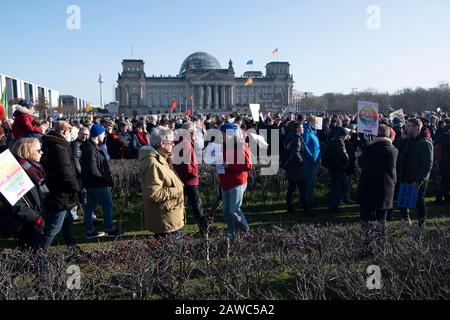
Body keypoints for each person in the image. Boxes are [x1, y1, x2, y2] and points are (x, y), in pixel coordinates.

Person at [138, 126, 185, 238]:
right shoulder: (153, 164)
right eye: (171, 142)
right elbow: (154, 194)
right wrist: (177, 190)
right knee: (168, 252)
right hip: (164, 220)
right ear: (162, 143)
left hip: (169, 217)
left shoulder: (162, 158)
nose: (173, 145)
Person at [0, 138, 47, 250]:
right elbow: (15, 203)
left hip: (37, 218)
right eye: (38, 150)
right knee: (31, 256)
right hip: (28, 223)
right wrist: (37, 218)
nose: (42, 152)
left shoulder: (33, 167)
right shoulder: (11, 170)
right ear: (28, 151)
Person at [40, 121, 80, 250]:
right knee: (54, 227)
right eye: (69, 131)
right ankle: (37, 255)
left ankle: (73, 249)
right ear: (64, 131)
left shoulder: (55, 145)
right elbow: (66, 172)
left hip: (62, 193)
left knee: (67, 224)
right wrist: (77, 189)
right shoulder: (59, 148)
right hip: (61, 193)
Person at [81, 124, 123, 239]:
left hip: (92, 183)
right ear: (98, 134)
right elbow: (93, 169)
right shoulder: (90, 148)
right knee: (108, 203)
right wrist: (105, 180)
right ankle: (111, 229)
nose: (105, 135)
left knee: (90, 207)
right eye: (103, 133)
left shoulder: (93, 146)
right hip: (96, 183)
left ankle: (90, 231)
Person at [358, 125, 398, 233]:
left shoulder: (369, 149)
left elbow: (360, 162)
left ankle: (367, 240)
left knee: (365, 217)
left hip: (368, 185)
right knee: (382, 218)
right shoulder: (393, 151)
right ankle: (381, 242)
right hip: (386, 187)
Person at [173, 122, 210, 238]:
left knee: (180, 205)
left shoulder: (180, 141)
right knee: (197, 206)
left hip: (181, 179)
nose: (195, 133)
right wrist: (195, 173)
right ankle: (203, 230)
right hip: (189, 180)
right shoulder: (186, 143)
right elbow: (187, 165)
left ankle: (176, 229)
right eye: (194, 131)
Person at [397, 118, 434, 227]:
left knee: (419, 202)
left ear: (417, 127)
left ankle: (420, 225)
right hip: (406, 174)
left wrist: (419, 181)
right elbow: (398, 153)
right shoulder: (408, 140)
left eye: (409, 126)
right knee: (403, 200)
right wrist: (401, 140)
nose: (406, 128)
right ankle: (405, 220)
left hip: (418, 177)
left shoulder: (425, 142)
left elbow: (428, 164)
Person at [219, 123, 252, 240]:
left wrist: (229, 165)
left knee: (234, 211)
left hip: (237, 182)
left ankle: (245, 231)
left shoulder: (240, 145)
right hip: (225, 182)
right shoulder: (222, 145)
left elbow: (248, 165)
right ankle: (231, 234)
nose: (221, 135)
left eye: (223, 133)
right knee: (226, 212)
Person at [283, 121, 308, 214]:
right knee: (302, 187)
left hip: (290, 166)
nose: (303, 129)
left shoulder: (289, 136)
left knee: (291, 187)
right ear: (297, 128)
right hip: (296, 167)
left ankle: (289, 207)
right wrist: (301, 162)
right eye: (301, 127)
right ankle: (306, 208)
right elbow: (296, 152)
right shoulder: (296, 138)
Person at [326, 127, 351, 213]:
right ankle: (336, 204)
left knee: (334, 186)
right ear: (343, 135)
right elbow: (344, 155)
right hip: (339, 167)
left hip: (332, 166)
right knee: (344, 186)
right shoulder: (340, 143)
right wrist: (347, 161)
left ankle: (332, 204)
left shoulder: (331, 141)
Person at [302, 115, 320, 209]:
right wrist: (311, 157)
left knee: (312, 182)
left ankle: (311, 200)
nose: (317, 124)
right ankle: (306, 203)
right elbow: (304, 146)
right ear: (311, 122)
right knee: (308, 183)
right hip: (309, 162)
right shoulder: (306, 132)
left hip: (314, 162)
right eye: (316, 122)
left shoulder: (313, 131)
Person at [434, 125, 450, 205]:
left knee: (444, 182)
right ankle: (440, 199)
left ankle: (445, 198)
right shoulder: (447, 138)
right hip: (447, 163)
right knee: (445, 183)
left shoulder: (440, 137)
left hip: (442, 162)